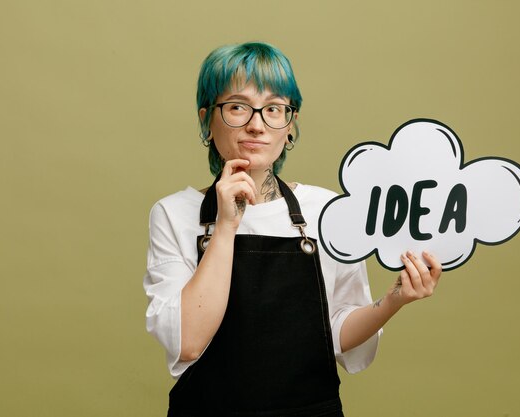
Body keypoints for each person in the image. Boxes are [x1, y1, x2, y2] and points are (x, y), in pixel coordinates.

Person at [143, 42, 443, 417]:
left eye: (274, 109)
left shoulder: (327, 210)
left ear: (290, 126)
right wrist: (224, 226)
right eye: (237, 107)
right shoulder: (173, 214)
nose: (257, 124)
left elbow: (337, 333)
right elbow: (187, 343)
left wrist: (395, 299)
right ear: (207, 119)